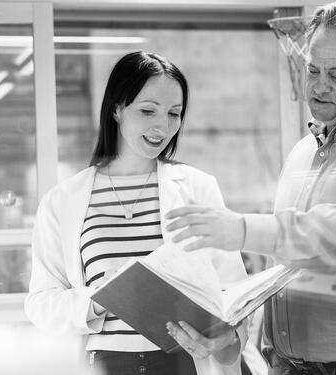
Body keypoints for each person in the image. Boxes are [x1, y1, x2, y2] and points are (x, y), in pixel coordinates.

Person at [165, 1, 336, 374]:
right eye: (312, 69)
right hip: (285, 365)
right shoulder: (303, 149)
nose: (317, 85)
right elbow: (286, 264)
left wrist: (242, 229)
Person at [24, 51, 248, 375]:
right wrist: (102, 297)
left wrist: (225, 333)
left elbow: (232, 293)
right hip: (104, 364)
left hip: (181, 363)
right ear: (117, 109)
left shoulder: (198, 188)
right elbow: (41, 303)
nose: (163, 126)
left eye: (174, 113)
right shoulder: (63, 200)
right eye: (147, 111)